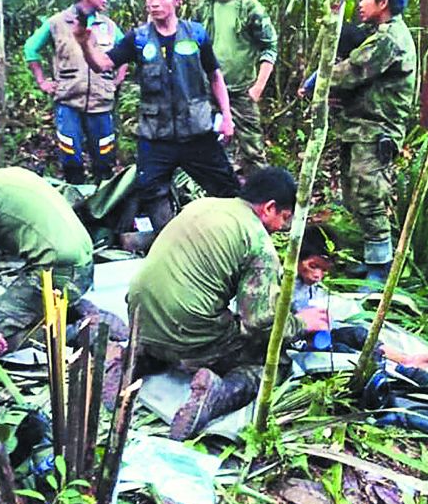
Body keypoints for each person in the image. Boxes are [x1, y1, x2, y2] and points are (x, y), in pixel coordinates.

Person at [126, 167, 329, 440]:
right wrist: (301, 323)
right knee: (274, 364)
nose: (281, 228)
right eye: (283, 218)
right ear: (269, 207)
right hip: (187, 330)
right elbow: (259, 322)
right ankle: (217, 395)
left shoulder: (203, 205)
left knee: (190, 320)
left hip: (138, 316)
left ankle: (139, 357)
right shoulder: (258, 242)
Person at [76, 0, 240, 230]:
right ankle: (169, 239)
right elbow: (102, 64)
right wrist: (85, 43)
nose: (154, 3)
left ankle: (232, 237)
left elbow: (215, 76)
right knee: (150, 189)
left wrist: (227, 117)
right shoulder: (138, 39)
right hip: (155, 135)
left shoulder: (196, 34)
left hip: (197, 131)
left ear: (177, 0)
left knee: (226, 189)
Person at [325, 0, 416, 285]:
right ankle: (370, 258)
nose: (360, 4)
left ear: (383, 2)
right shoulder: (376, 32)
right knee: (354, 195)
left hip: (376, 132)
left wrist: (317, 82)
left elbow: (350, 72)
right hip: (358, 128)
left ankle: (380, 270)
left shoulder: (389, 40)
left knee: (370, 197)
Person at [0, 166, 103, 359]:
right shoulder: (11, 174)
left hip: (56, 272)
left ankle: (75, 333)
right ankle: (73, 317)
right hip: (82, 265)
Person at [24, 0, 128, 184]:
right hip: (68, 101)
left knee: (104, 158)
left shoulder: (108, 26)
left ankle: (104, 205)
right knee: (71, 157)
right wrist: (42, 81)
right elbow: (31, 49)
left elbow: (124, 51)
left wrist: (118, 79)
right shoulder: (57, 23)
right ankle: (75, 200)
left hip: (101, 103)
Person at [291, 225, 428, 374]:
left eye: (324, 270)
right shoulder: (282, 284)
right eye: (313, 266)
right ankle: (397, 370)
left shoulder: (309, 286)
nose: (318, 275)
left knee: (359, 335)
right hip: (294, 341)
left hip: (317, 335)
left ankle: (405, 360)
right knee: (344, 352)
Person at [197, 0, 278, 175]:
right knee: (210, 152)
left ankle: (261, 204)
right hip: (209, 93)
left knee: (253, 153)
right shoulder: (203, 9)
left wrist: (257, 88)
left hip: (242, 92)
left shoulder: (250, 8)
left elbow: (270, 46)